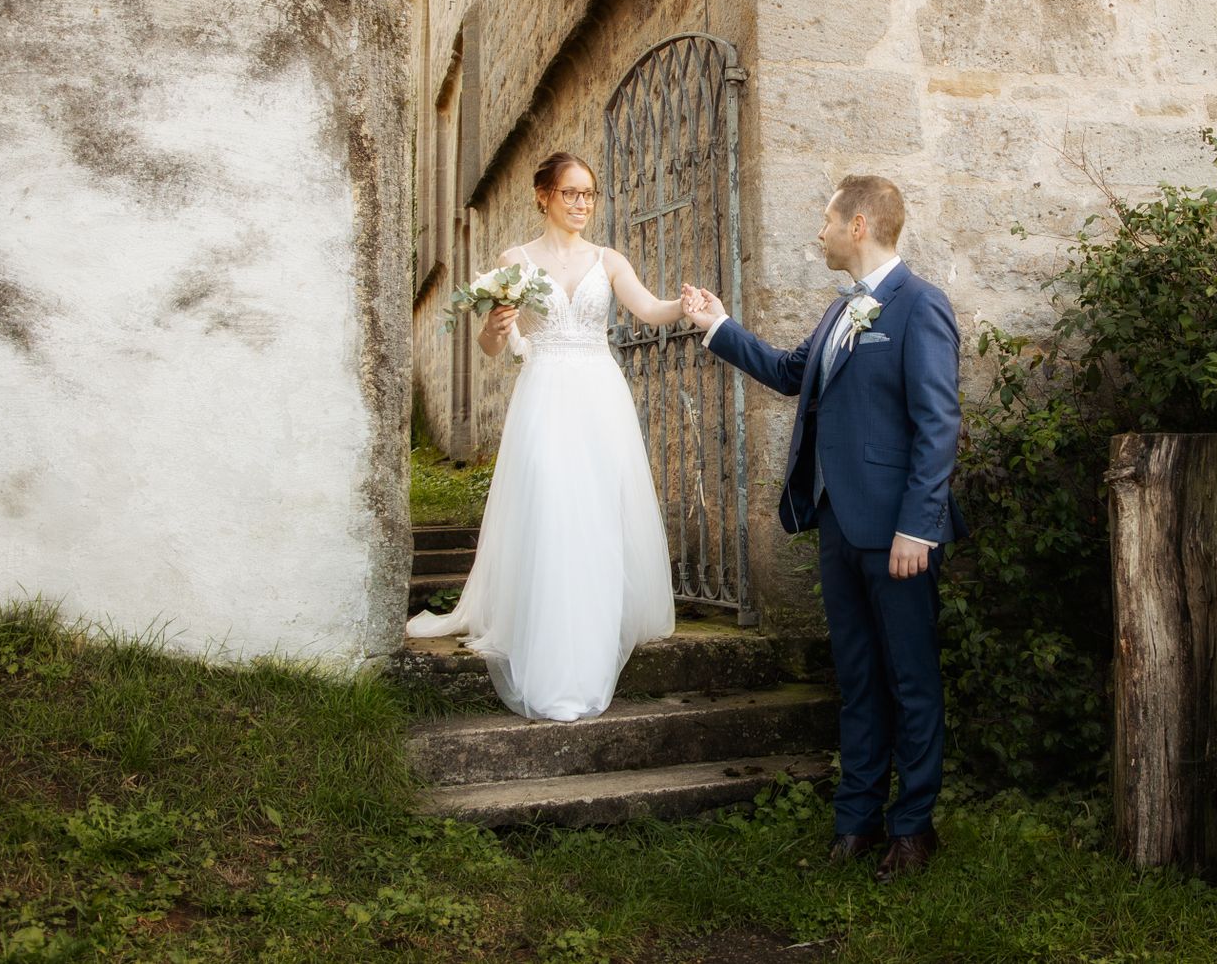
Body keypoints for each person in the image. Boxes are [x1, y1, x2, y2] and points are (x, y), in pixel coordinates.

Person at [682, 175, 965, 884]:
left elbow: (938, 425)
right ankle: (857, 819)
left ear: (859, 224)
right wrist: (719, 326)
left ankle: (914, 826)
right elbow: (788, 373)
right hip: (837, 524)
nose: (820, 232)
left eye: (827, 219)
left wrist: (918, 527)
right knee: (858, 677)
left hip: (899, 535)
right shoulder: (841, 313)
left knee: (911, 679)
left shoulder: (920, 306)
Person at [408, 151, 684, 722]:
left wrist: (687, 304)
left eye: (589, 195)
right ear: (544, 196)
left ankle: (592, 625)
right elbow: (491, 349)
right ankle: (548, 636)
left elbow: (650, 308)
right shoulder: (514, 262)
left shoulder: (608, 259)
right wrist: (492, 326)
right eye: (570, 194)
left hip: (599, 396)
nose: (581, 205)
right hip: (544, 394)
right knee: (550, 506)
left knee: (595, 510)